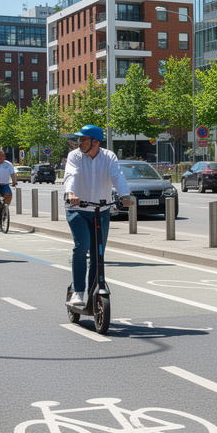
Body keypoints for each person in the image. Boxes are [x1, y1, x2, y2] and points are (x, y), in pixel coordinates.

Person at [63, 126, 132, 309]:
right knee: (82, 246)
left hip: (101, 211)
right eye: (79, 139)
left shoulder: (109, 157)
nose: (79, 142)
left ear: (95, 142)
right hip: (77, 209)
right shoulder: (75, 156)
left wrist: (125, 195)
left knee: (98, 253)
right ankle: (78, 291)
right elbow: (72, 175)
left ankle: (94, 291)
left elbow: (117, 176)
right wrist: (70, 193)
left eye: (83, 139)